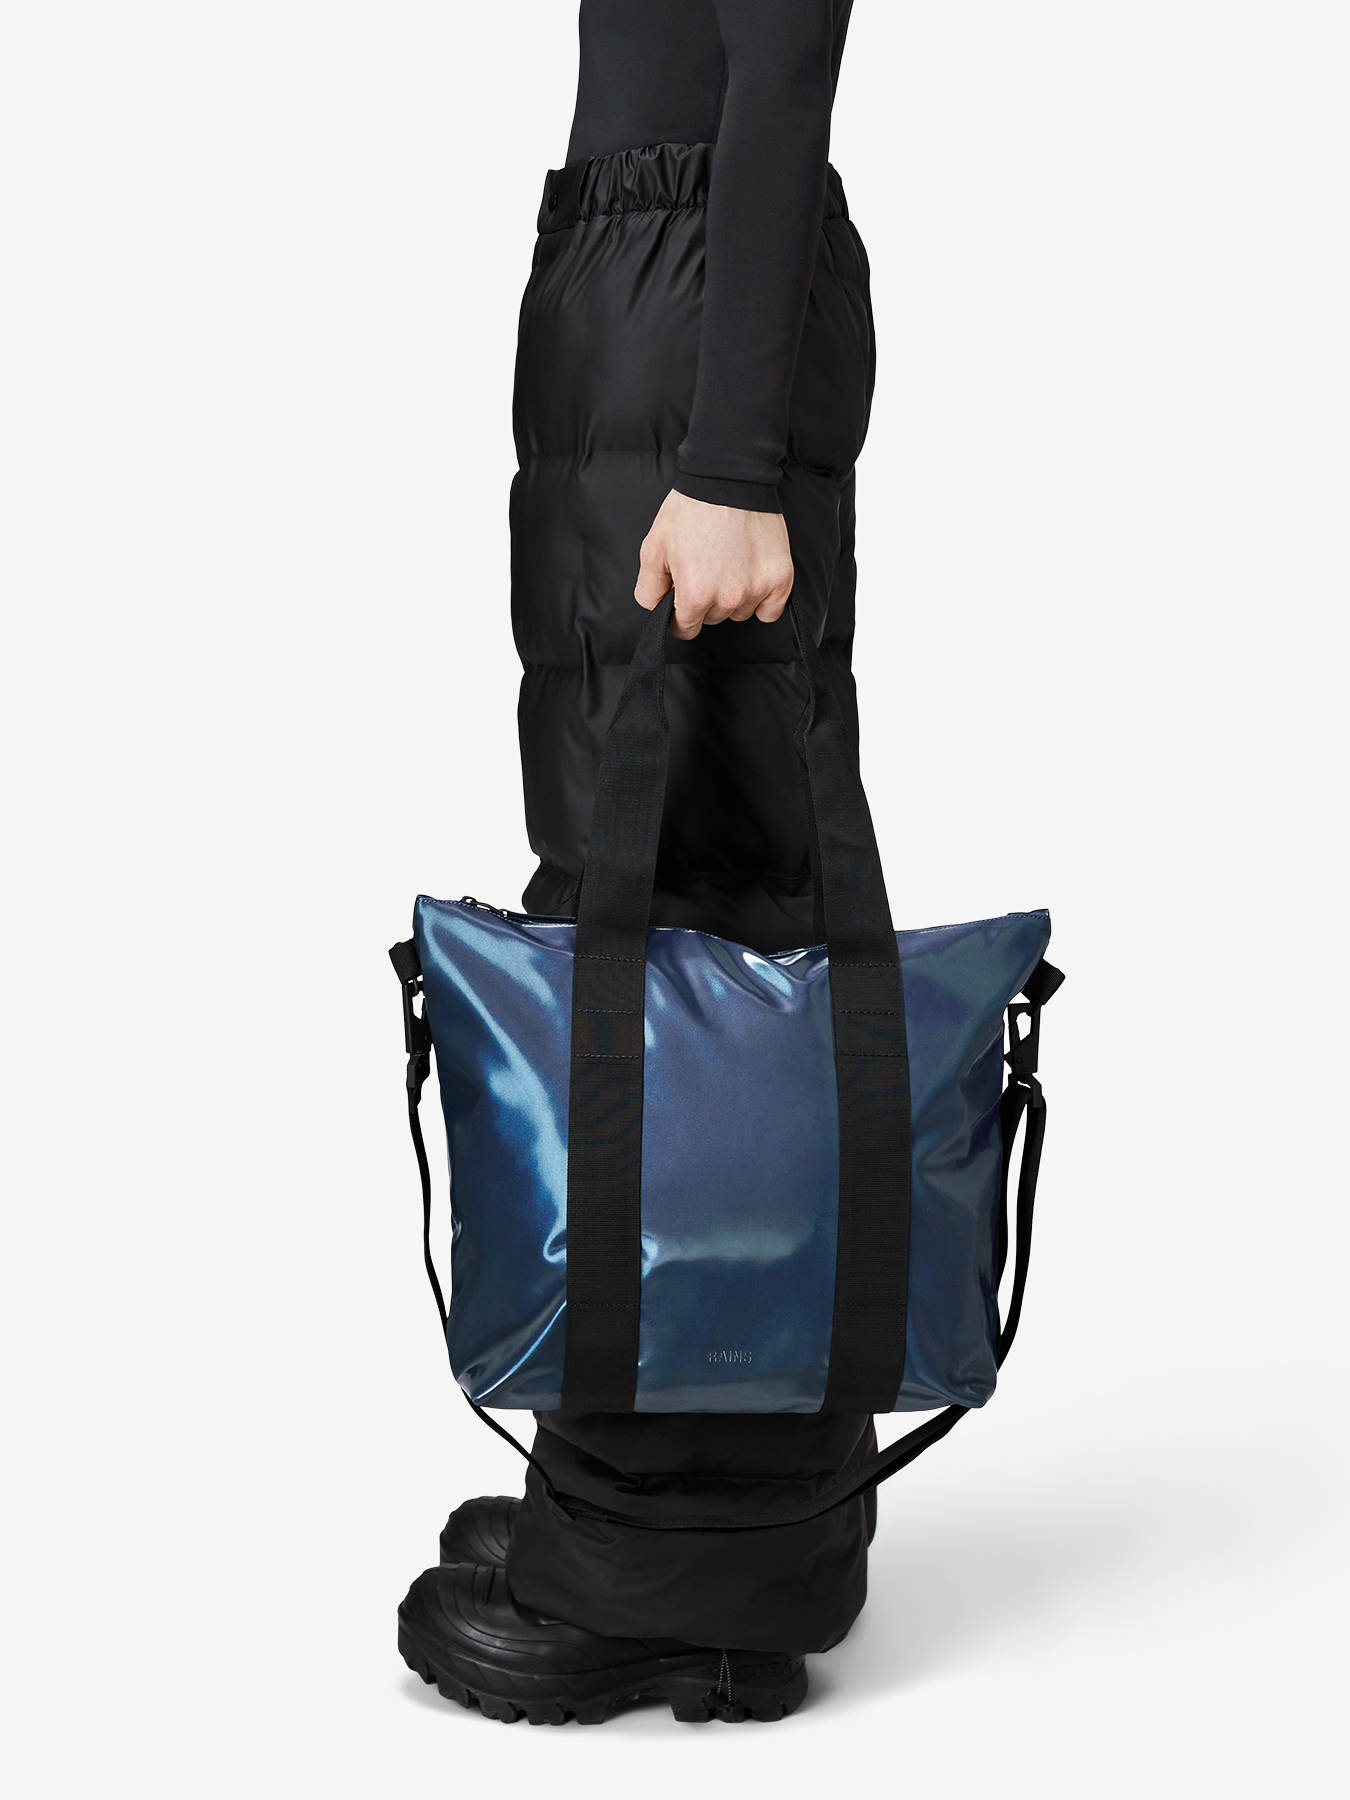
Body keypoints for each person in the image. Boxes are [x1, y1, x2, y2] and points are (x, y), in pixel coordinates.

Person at [399, 0, 878, 1723]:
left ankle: (686, 1567)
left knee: (700, 934)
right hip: (643, 280)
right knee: (636, 891)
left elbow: (785, 48)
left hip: (691, 302)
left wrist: (731, 457)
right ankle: (679, 1500)